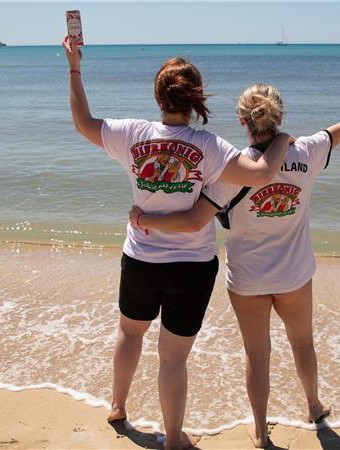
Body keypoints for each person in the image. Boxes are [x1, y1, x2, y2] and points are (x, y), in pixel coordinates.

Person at [130, 54, 340, 448]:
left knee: (258, 355)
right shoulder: (306, 152)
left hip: (248, 279)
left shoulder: (230, 173)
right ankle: (314, 406)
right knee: (302, 343)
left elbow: (194, 220)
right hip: (294, 275)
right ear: (280, 115)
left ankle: (259, 430)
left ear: (242, 121)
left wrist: (145, 217)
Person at [61, 36, 291, 450]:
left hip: (140, 260)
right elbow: (260, 174)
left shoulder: (131, 133)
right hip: (191, 267)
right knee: (173, 357)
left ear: (158, 95)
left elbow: (82, 122)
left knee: (130, 334)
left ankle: (118, 406)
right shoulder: (208, 146)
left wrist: (74, 67)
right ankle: (173, 439)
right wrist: (281, 140)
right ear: (195, 97)